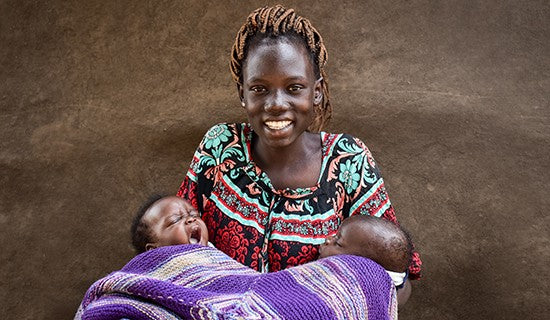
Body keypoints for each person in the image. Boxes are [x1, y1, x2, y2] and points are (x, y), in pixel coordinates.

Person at [177, 4, 421, 286]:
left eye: (294, 88)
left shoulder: (349, 161)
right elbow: (170, 240)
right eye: (259, 89)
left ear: (316, 93)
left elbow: (398, 275)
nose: (277, 104)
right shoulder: (220, 148)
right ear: (241, 93)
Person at [130, 194, 209, 253]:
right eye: (176, 220)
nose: (191, 219)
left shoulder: (217, 257)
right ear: (154, 250)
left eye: (194, 214)